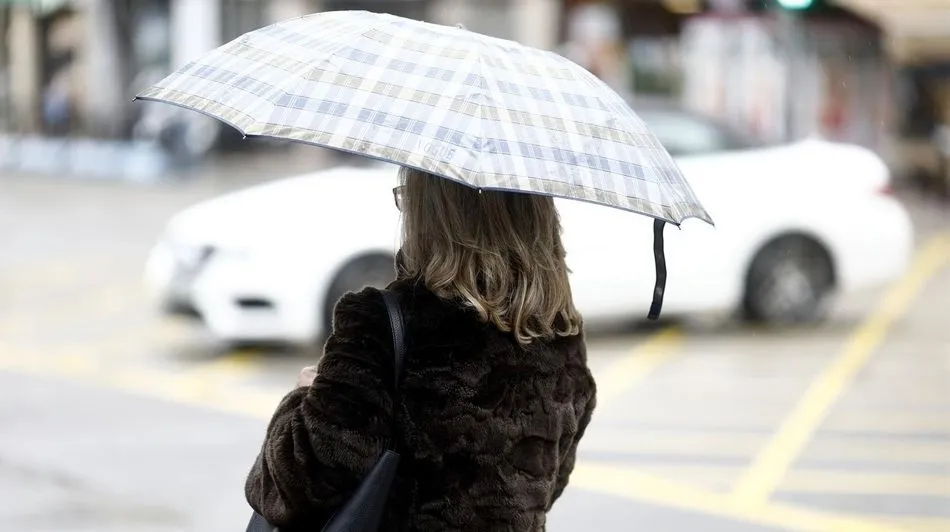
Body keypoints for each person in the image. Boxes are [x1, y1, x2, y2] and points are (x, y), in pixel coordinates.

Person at [244, 165, 597, 531]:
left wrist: (301, 399)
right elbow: (545, 480)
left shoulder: (381, 323)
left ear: (432, 214)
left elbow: (299, 484)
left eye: (407, 196)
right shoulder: (559, 333)